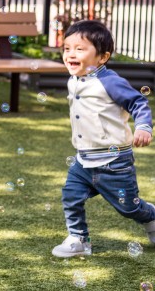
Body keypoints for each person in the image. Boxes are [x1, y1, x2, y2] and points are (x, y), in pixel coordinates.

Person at [52, 19, 155, 257]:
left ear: (102, 57)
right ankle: (79, 239)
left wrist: (143, 127)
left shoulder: (109, 81)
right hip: (83, 160)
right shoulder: (74, 80)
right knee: (71, 196)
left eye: (80, 48)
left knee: (129, 208)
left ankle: (150, 218)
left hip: (114, 162)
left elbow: (138, 102)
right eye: (67, 49)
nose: (70, 54)